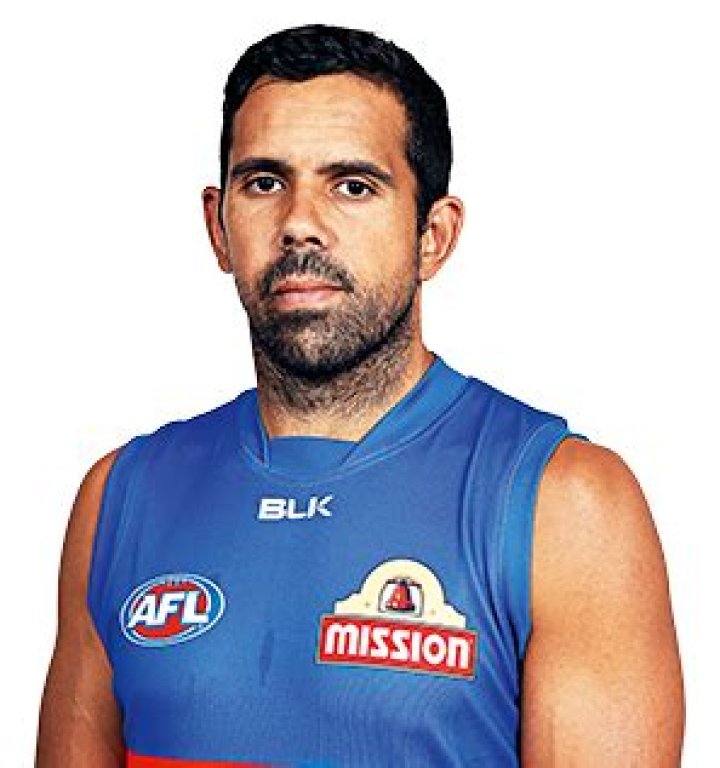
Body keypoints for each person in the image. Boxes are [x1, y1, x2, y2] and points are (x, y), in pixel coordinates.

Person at [36, 23, 684, 767]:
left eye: (352, 186)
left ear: (433, 235)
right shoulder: (121, 495)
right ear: (218, 226)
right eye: (265, 182)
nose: (299, 224)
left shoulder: (564, 505)